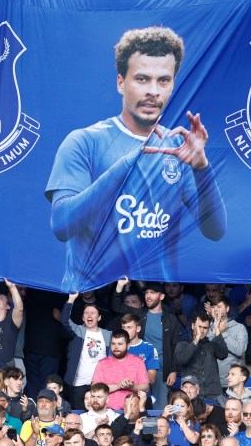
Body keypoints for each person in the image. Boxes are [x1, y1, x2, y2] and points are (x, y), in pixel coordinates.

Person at [47, 28, 226, 289]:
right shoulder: (84, 141)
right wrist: (126, 165)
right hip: (96, 302)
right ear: (121, 82)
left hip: (156, 303)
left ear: (173, 84)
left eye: (163, 81)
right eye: (142, 79)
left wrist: (201, 167)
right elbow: (62, 225)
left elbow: (215, 231)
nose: (153, 91)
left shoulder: (176, 147)